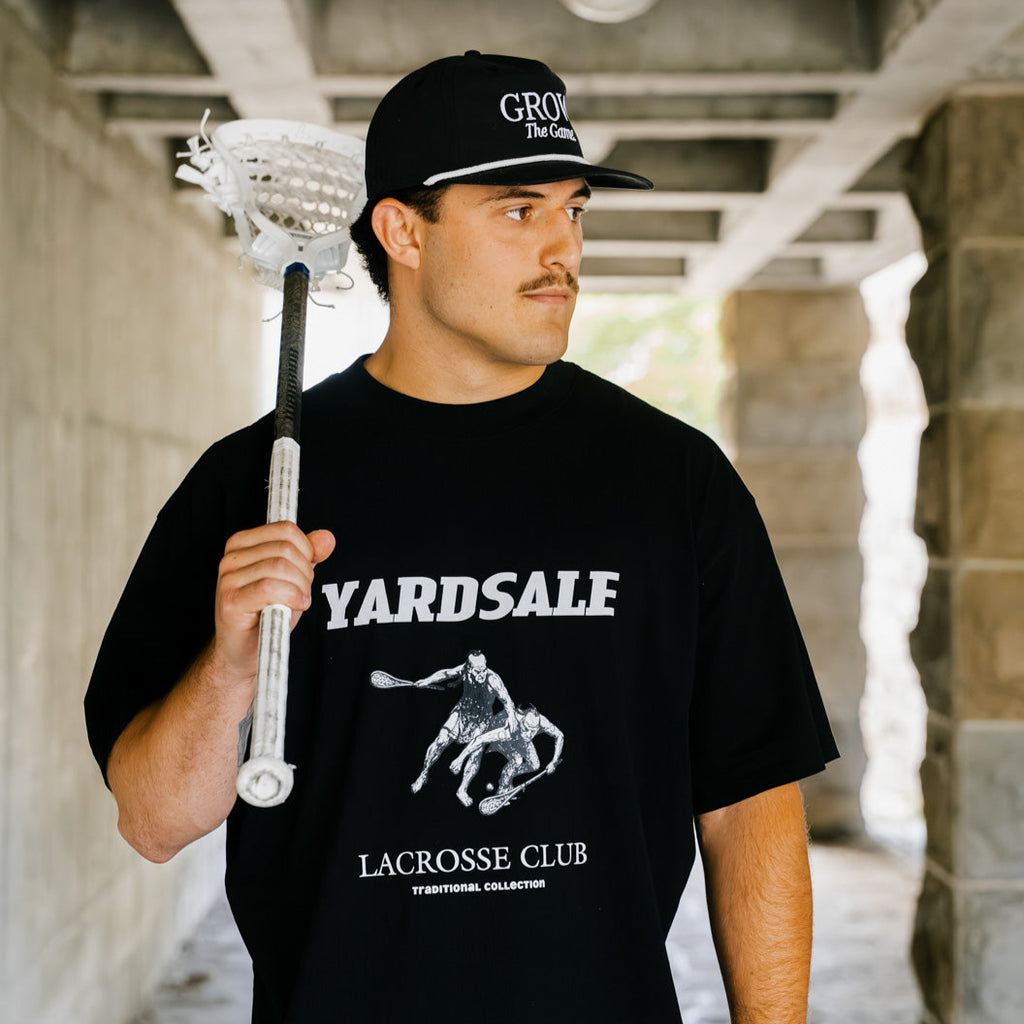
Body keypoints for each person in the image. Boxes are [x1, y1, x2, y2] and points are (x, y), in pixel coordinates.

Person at [85, 51, 839, 1024]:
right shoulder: (256, 483)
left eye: (574, 210)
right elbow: (152, 818)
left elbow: (748, 801)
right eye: (519, 210)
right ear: (402, 230)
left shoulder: (671, 481)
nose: (562, 247)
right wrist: (234, 659)